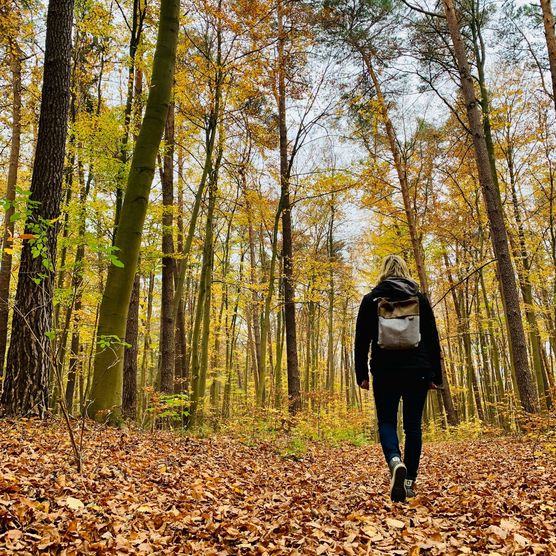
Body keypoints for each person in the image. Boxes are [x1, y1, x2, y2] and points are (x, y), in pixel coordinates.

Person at [354, 254, 442, 503]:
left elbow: (361, 340)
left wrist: (361, 374)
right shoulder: (419, 298)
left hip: (384, 370)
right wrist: (436, 375)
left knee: (387, 422)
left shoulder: (371, 299)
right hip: (418, 369)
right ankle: (408, 482)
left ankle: (394, 460)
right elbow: (432, 339)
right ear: (404, 271)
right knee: (413, 426)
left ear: (383, 270)